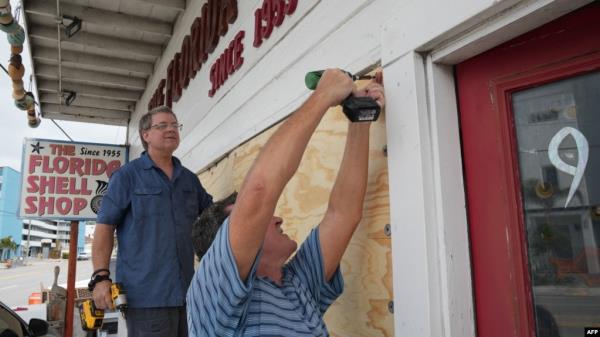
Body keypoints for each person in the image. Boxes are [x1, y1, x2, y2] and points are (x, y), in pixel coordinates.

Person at [187, 69, 385, 336]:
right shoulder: (215, 297)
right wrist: (324, 94)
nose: (277, 218)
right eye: (260, 222)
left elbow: (343, 214)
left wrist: (360, 116)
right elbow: (259, 192)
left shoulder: (296, 282)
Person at [91, 105, 213, 337]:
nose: (171, 130)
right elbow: (105, 226)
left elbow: (212, 216)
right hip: (145, 298)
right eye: (162, 126)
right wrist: (101, 277)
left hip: (189, 295)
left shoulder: (189, 180)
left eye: (175, 125)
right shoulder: (127, 176)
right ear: (146, 135)